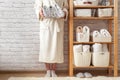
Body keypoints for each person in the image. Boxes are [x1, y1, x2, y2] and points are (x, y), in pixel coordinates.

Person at [34, 0, 68, 77]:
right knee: (46, 47)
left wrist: (64, 13)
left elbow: (66, 7)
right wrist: (40, 12)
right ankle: (48, 70)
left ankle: (53, 70)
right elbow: (37, 6)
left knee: (56, 48)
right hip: (46, 23)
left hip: (57, 23)